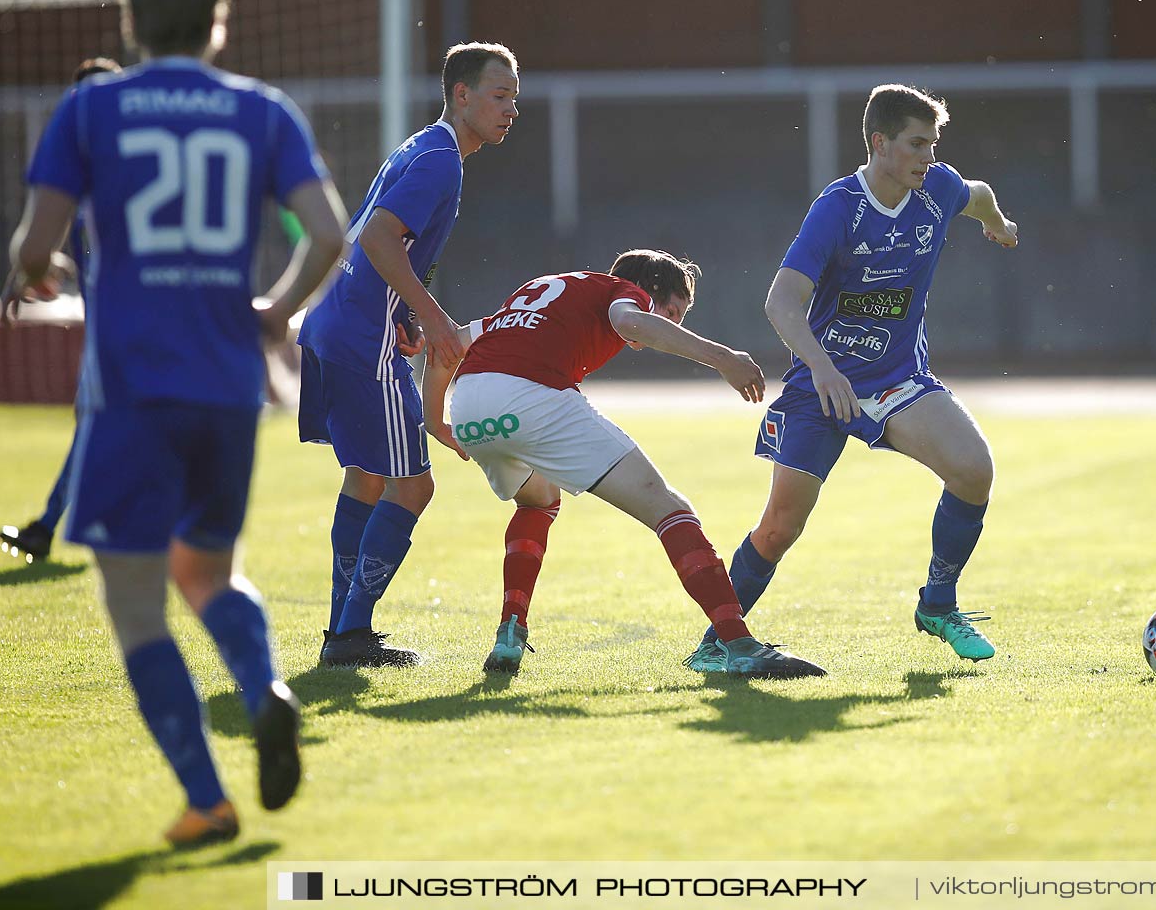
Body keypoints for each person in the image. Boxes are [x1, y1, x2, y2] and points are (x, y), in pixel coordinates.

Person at [2, 0, 348, 847]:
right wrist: (276, 308)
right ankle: (263, 688)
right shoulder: (260, 112)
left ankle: (207, 797)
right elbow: (327, 234)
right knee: (207, 568)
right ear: (219, 26)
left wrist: (34, 271)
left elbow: (35, 248)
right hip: (230, 384)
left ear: (129, 24)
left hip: (131, 389)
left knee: (134, 601)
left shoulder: (91, 106)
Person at [683, 84, 1019, 674]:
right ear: (878, 142)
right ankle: (719, 643)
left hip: (896, 378)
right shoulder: (839, 207)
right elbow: (782, 303)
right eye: (917, 144)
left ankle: (938, 604)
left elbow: (980, 194)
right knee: (781, 526)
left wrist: (999, 223)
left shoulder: (936, 190)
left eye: (934, 144)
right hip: (823, 384)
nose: (928, 157)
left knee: (973, 470)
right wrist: (822, 367)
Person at [420, 250, 825, 678]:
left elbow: (451, 344)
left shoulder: (546, 293)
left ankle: (510, 632)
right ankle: (739, 644)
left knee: (538, 501)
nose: (674, 326)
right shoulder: (621, 292)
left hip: (470, 406)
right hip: (529, 395)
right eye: (672, 312)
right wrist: (723, 357)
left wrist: (436, 420)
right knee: (670, 508)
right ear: (648, 290)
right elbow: (630, 322)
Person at [297, 42, 519, 667]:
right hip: (358, 334)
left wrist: (404, 315)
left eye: (514, 100)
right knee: (412, 485)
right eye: (498, 96)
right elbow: (376, 236)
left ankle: (344, 634)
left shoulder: (424, 147)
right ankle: (350, 633)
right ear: (461, 95)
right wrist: (429, 314)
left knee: (367, 475)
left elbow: (376, 237)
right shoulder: (440, 160)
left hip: (336, 323)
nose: (509, 109)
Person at [0, 56, 122, 565]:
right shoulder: (122, 156)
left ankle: (55, 526)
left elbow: (42, 242)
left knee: (100, 422)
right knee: (100, 421)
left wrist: (26, 271)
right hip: (123, 324)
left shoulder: (89, 158)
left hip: (121, 326)